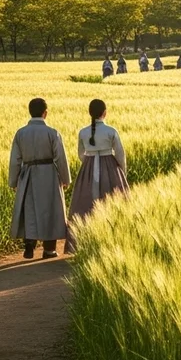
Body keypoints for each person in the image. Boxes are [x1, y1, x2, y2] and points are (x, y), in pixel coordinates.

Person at [8, 98, 70, 259]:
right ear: (45, 113)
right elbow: (61, 158)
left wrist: (13, 181)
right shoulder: (52, 132)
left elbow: (15, 160)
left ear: (30, 112)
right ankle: (49, 250)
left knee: (29, 209)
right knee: (50, 210)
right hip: (48, 173)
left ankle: (29, 244)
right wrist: (66, 179)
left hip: (27, 173)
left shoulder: (20, 133)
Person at [66, 99, 130, 252]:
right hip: (110, 167)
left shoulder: (83, 132)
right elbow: (120, 154)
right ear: (104, 113)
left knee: (85, 204)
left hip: (88, 167)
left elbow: (81, 154)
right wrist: (121, 171)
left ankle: (82, 240)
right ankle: (114, 240)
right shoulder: (111, 131)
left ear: (90, 113)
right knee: (114, 202)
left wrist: (89, 163)